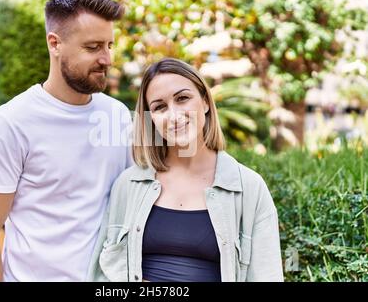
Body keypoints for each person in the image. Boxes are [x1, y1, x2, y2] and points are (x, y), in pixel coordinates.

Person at [0, 0, 132, 281]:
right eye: (93, 47)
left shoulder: (118, 116)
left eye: (109, 46)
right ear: (55, 44)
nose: (106, 59)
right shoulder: (10, 125)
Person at [87, 58, 284, 282]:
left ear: (206, 102)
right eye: (160, 107)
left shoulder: (249, 189)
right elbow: (102, 275)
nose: (173, 115)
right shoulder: (128, 185)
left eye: (182, 98)